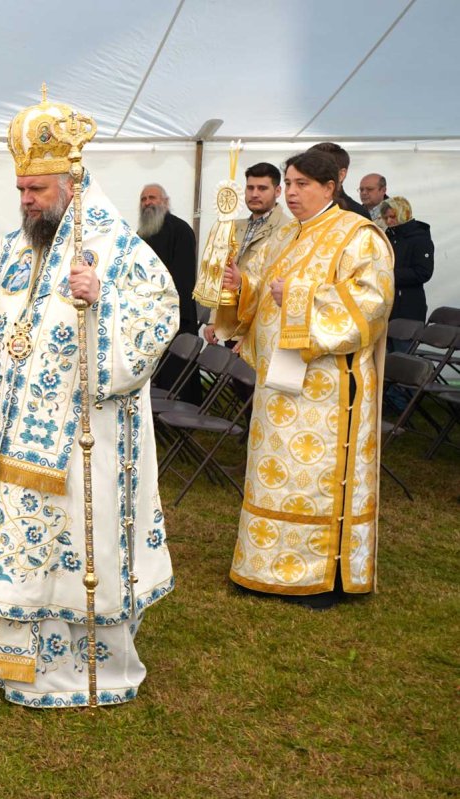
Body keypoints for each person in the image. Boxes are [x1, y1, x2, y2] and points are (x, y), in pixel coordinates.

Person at [0, 90, 178, 707]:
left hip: (83, 448)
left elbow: (158, 320)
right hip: (12, 447)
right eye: (22, 190)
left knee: (73, 552)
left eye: (35, 190)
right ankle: (13, 659)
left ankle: (84, 670)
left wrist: (101, 304)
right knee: (16, 549)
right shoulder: (21, 246)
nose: (26, 200)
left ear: (71, 181)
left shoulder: (117, 249)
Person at [214, 149, 393, 609]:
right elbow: (262, 290)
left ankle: (321, 575)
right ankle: (263, 565)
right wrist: (242, 286)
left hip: (329, 393)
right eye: (288, 184)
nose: (290, 193)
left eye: (301, 185)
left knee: (314, 481)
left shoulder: (359, 236)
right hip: (280, 382)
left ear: (330, 187)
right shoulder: (288, 234)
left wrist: (299, 297)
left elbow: (370, 307)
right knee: (274, 473)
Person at [203, 162, 291, 346]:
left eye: (262, 188)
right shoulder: (235, 226)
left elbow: (275, 285)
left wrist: (250, 333)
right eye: (250, 188)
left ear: (277, 191)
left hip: (260, 330)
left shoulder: (287, 229)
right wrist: (214, 320)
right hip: (230, 324)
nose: (254, 194)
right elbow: (222, 275)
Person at [140, 183, 199, 401]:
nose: (147, 202)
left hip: (175, 313)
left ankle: (182, 405)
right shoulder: (141, 234)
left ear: (165, 202)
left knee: (176, 369)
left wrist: (171, 311)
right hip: (148, 314)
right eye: (143, 199)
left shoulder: (181, 230)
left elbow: (183, 277)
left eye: (152, 197)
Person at [381, 196, 433, 326]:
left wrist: (389, 275)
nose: (389, 221)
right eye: (386, 218)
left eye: (392, 217)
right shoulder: (389, 236)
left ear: (404, 213)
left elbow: (423, 272)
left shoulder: (420, 238)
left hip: (408, 308)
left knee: (404, 345)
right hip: (387, 307)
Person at [310, 142, 370, 219]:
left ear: (341, 175)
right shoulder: (304, 207)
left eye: (319, 169)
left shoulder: (356, 214)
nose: (309, 175)